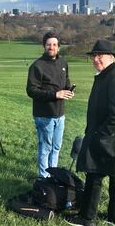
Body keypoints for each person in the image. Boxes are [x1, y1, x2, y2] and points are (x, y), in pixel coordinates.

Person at [65, 40, 115, 226]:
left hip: (112, 138)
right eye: (93, 56)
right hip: (114, 137)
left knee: (96, 173)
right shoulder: (105, 75)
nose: (96, 59)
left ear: (111, 57)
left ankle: (87, 218)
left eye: (100, 55)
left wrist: (99, 134)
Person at [27, 32, 74, 178]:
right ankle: (43, 178)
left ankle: (53, 175)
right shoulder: (37, 66)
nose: (51, 47)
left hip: (60, 114)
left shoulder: (63, 63)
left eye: (54, 44)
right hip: (44, 115)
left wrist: (69, 89)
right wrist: (55, 94)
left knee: (56, 147)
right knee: (45, 148)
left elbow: (66, 81)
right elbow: (31, 90)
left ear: (58, 47)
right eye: (48, 44)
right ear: (44, 46)